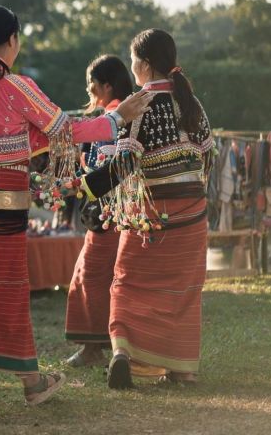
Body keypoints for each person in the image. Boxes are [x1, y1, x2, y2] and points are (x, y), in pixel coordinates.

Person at [0, 5, 152, 419]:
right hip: (1, 206)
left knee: (10, 289)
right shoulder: (18, 87)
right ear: (11, 40)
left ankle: (32, 383)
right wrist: (118, 116)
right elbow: (65, 129)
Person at [78, 29, 213, 388]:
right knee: (184, 290)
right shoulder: (193, 103)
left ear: (146, 63)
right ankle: (182, 370)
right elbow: (206, 155)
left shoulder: (139, 105)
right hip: (193, 212)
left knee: (127, 284)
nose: (132, 66)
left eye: (134, 59)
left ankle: (122, 353)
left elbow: (123, 167)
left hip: (151, 214)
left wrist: (86, 188)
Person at [64, 54, 133, 367]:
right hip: (115, 212)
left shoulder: (114, 118)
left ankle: (96, 348)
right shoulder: (117, 115)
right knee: (95, 275)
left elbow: (111, 170)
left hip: (110, 213)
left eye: (93, 84)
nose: (89, 90)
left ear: (107, 86)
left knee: (90, 275)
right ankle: (102, 345)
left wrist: (81, 185)